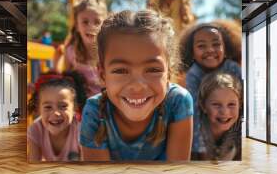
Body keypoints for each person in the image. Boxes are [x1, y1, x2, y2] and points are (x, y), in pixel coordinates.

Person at [80, 10, 194, 161]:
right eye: (121, 71)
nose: (137, 86)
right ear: (102, 75)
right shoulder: (94, 112)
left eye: (153, 70)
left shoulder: (178, 102)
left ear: (169, 73)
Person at [179, 23, 242, 159]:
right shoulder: (193, 74)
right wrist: (199, 149)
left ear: (226, 48)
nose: (210, 50)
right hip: (207, 125)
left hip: (233, 123)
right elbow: (194, 112)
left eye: (216, 44)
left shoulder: (234, 68)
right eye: (202, 46)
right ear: (192, 53)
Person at [27, 71, 88, 162]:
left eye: (63, 106)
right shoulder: (36, 130)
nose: (56, 113)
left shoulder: (82, 131)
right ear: (38, 108)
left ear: (75, 107)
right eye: (48, 107)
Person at [54, 0, 108, 97]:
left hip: (107, 102)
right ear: (77, 26)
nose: (91, 27)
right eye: (85, 22)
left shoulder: (109, 51)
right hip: (82, 105)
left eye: (97, 22)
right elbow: (66, 80)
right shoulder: (71, 51)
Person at [196, 72, 242, 161]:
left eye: (231, 104)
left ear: (239, 104)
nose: (224, 112)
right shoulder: (196, 131)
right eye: (216, 104)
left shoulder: (240, 131)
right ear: (203, 106)